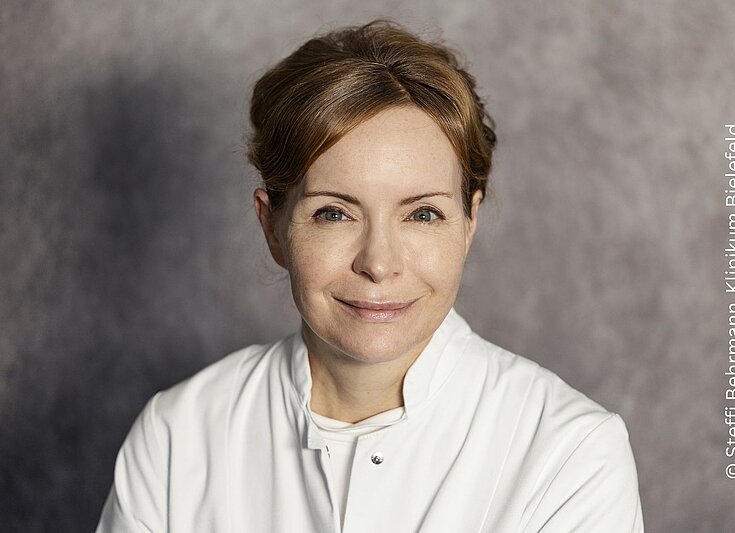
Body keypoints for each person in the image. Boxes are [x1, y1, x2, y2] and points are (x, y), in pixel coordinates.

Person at [96, 18, 644, 532]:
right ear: (273, 227)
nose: (379, 263)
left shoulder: (570, 454)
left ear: (468, 223)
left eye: (422, 214)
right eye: (334, 214)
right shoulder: (176, 438)